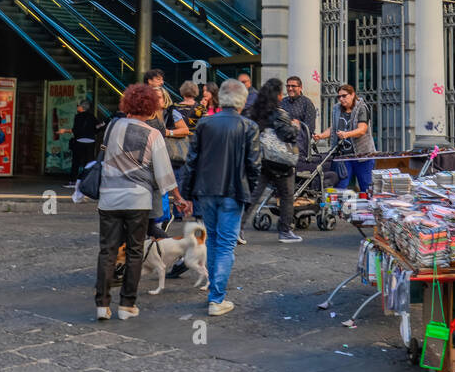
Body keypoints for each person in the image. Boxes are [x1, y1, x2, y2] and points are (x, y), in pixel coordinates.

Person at [94, 84, 189, 321]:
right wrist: (178, 198)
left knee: (107, 251)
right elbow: (164, 173)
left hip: (109, 197)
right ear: (151, 107)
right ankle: (127, 305)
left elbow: (104, 157)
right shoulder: (153, 134)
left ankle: (102, 305)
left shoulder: (112, 127)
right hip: (138, 199)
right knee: (136, 252)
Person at [179, 79, 260, 317]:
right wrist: (250, 193)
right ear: (242, 101)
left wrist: (187, 193)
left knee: (213, 241)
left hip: (206, 190)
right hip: (234, 191)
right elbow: (254, 165)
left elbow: (191, 160)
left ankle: (214, 295)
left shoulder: (205, 124)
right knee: (225, 245)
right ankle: (216, 298)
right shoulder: (248, 126)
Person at [244, 78, 304, 244]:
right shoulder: (280, 114)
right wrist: (295, 127)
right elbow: (288, 135)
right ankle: (285, 231)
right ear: (277, 95)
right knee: (286, 195)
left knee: (254, 195)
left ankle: (237, 229)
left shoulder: (254, 112)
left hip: (262, 160)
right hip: (281, 162)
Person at [315, 83, 376, 195]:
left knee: (366, 187)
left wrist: (347, 134)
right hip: (343, 156)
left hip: (363, 155)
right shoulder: (336, 109)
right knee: (341, 187)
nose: (341, 99)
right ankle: (340, 211)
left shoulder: (362, 108)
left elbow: (362, 129)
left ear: (352, 95)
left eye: (344, 96)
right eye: (339, 96)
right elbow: (334, 128)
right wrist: (321, 136)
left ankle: (366, 211)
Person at [60, 98, 98, 187]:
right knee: (88, 163)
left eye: (78, 106)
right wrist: (92, 133)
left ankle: (73, 181)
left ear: (81, 107)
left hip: (80, 141)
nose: (77, 107)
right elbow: (98, 127)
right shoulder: (92, 116)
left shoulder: (78, 116)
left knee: (76, 162)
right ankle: (87, 181)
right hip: (91, 142)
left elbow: (76, 130)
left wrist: (64, 130)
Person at [280, 76, 318, 156]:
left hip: (299, 147)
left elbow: (310, 128)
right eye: (288, 86)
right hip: (282, 144)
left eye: (293, 86)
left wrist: (298, 125)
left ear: (300, 87)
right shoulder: (282, 102)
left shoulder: (307, 103)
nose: (290, 88)